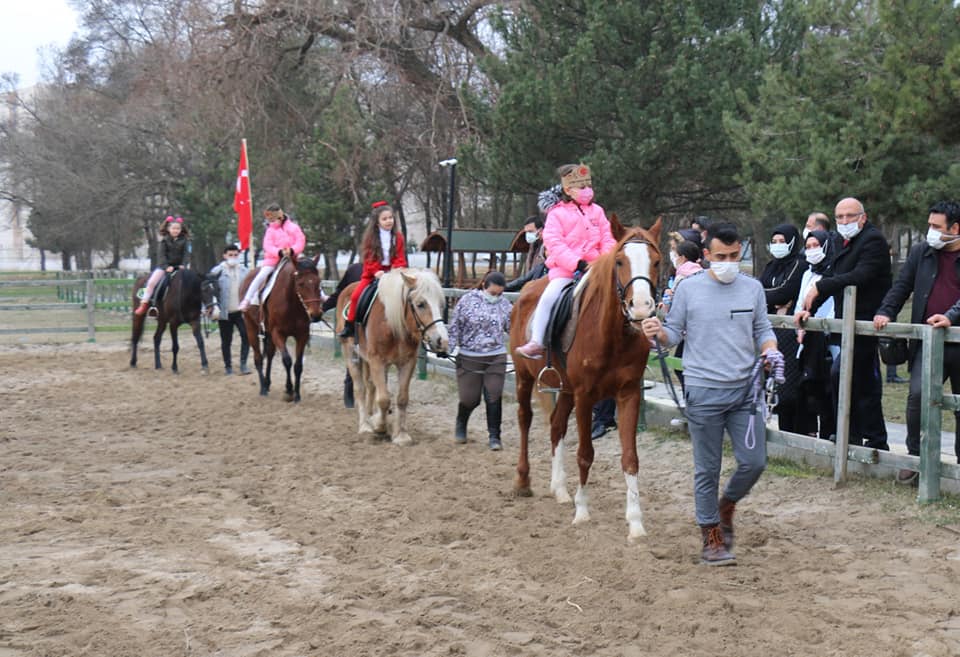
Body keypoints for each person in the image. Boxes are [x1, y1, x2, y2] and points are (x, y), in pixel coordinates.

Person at [641, 222, 779, 566]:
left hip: (746, 391)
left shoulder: (752, 289)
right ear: (706, 256)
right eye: (721, 256)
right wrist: (657, 331)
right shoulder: (689, 289)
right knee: (707, 469)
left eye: (734, 256)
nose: (728, 262)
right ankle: (712, 538)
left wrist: (771, 350)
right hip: (703, 390)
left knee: (754, 461)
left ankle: (727, 504)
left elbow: (762, 328)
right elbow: (673, 334)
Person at [874, 201, 960, 483]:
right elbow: (902, 286)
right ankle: (915, 457)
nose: (930, 232)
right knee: (917, 397)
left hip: (957, 340)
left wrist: (950, 316)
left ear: (955, 228)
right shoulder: (921, 253)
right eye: (929, 225)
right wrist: (886, 311)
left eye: (937, 227)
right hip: (927, 340)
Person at [797, 197, 892, 451]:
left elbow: (860, 275)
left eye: (850, 216)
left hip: (867, 321)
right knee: (855, 380)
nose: (844, 221)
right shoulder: (839, 241)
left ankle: (863, 438)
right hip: (844, 322)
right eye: (839, 217)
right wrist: (810, 308)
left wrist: (821, 286)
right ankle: (858, 437)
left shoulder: (873, 241)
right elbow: (833, 274)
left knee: (849, 376)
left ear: (863, 216)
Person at [514, 163, 616, 359]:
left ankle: (641, 333)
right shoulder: (556, 214)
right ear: (568, 190)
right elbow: (555, 243)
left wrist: (603, 261)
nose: (587, 191)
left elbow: (608, 237)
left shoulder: (598, 211)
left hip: (598, 268)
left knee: (626, 291)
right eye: (582, 187)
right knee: (549, 297)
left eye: (588, 186)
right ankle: (536, 340)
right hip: (567, 271)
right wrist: (577, 263)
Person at [448, 271, 513, 450]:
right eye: (493, 293)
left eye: (499, 294)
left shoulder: (505, 305)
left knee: (494, 394)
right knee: (470, 399)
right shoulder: (467, 302)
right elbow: (455, 327)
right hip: (470, 356)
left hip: (496, 355)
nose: (496, 297)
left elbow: (512, 328)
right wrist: (448, 349)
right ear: (484, 285)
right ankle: (461, 424)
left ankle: (495, 437)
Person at [759, 223, 805, 433]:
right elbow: (759, 291)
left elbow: (785, 291)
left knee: (788, 388)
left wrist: (772, 296)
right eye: (774, 241)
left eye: (782, 242)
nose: (778, 246)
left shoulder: (799, 264)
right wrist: (772, 297)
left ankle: (794, 434)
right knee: (769, 385)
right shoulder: (771, 266)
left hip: (789, 333)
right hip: (770, 329)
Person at [339, 201, 407, 339]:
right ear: (377, 222)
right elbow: (369, 259)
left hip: (393, 273)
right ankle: (350, 325)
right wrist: (376, 271)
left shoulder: (398, 237)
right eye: (385, 219)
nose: (389, 221)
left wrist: (396, 267)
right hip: (373, 274)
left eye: (391, 218)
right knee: (355, 296)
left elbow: (400, 257)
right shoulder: (371, 238)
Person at [793, 229, 837, 440]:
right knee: (809, 387)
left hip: (829, 341)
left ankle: (831, 433)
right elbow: (801, 303)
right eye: (808, 247)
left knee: (829, 389)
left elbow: (832, 306)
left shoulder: (835, 273)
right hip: (807, 339)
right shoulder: (807, 274)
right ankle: (808, 434)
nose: (811, 251)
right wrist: (800, 327)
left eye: (816, 246)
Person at [238, 204, 306, 312]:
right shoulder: (270, 231)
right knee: (261, 276)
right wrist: (279, 252)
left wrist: (292, 250)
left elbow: (300, 241)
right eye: (271, 220)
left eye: (275, 219)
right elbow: (267, 246)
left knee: (308, 270)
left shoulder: (294, 228)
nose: (273, 222)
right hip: (273, 260)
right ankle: (247, 299)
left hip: (293, 257)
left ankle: (320, 294)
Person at [323, 263, 362, 407]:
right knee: (352, 350)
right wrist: (323, 308)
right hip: (358, 317)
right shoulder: (355, 270)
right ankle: (349, 386)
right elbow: (340, 292)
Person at [208, 244, 250, 375]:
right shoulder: (217, 271)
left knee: (246, 336)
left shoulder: (244, 271)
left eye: (235, 255)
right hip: (225, 312)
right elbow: (209, 289)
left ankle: (243, 363)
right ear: (225, 256)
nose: (233, 257)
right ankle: (228, 366)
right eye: (230, 255)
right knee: (226, 340)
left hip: (241, 311)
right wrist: (211, 306)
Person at [135, 216, 190, 316]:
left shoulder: (185, 241)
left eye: (178, 228)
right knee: (151, 282)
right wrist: (166, 267)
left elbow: (186, 255)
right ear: (168, 229)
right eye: (173, 228)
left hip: (180, 267)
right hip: (165, 267)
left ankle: (193, 305)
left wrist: (184, 264)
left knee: (192, 282)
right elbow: (162, 256)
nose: (176, 230)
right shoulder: (164, 241)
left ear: (181, 229)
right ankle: (145, 304)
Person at [505, 215, 548, 293]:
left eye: (530, 231)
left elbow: (529, 276)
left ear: (540, 230)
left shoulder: (547, 247)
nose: (527, 234)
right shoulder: (533, 247)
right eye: (526, 232)